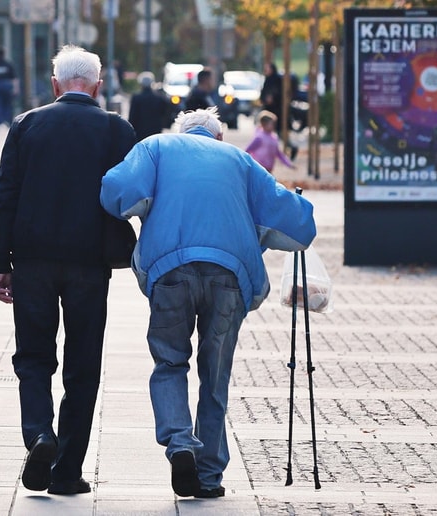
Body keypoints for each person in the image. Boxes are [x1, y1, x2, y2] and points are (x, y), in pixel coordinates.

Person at [100, 107, 316, 499]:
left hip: (171, 270)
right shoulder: (239, 159)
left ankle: (180, 442)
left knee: (169, 361)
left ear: (180, 132)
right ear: (217, 137)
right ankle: (209, 476)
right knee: (215, 376)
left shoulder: (156, 148)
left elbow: (116, 191)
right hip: (229, 276)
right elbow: (295, 220)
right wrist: (303, 208)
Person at [0, 45, 136, 495]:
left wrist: (1, 261)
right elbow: (132, 196)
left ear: (55, 86)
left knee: (33, 358)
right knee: (83, 364)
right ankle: (67, 471)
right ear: (98, 84)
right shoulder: (116, 130)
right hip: (90, 265)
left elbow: (5, 196)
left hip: (32, 261)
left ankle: (39, 434)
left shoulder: (27, 125)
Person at [260, 62, 298, 160]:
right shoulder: (268, 80)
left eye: (267, 68)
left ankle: (291, 147)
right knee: (265, 134)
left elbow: (284, 94)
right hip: (269, 112)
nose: (266, 70)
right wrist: (265, 99)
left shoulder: (278, 80)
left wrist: (273, 98)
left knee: (281, 133)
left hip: (279, 111)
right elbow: (263, 94)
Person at [128, 71, 172, 141]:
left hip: (140, 131)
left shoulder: (136, 98)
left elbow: (132, 115)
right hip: (155, 130)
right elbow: (166, 112)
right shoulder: (159, 98)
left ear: (141, 84)